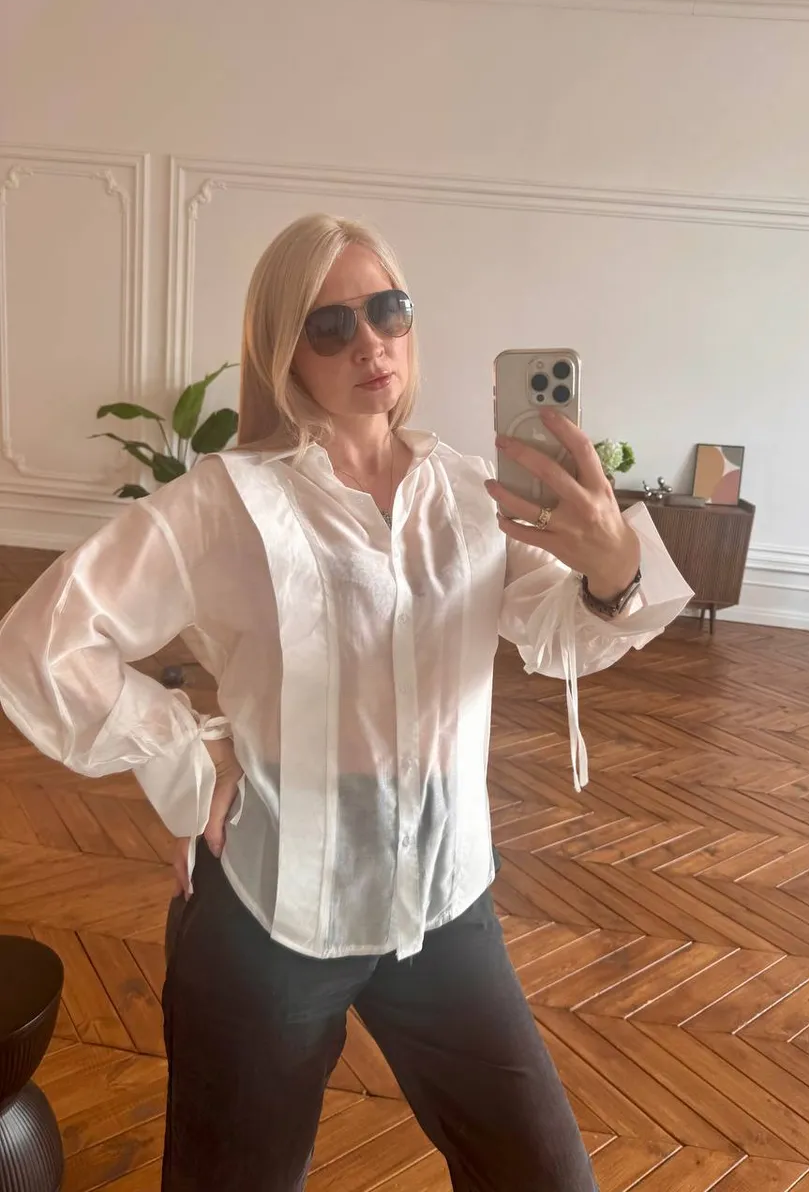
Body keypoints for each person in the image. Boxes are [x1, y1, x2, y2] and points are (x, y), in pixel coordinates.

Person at [0, 213, 692, 1191]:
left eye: (388, 310)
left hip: (446, 902)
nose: (370, 342)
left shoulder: (467, 492)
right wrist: (186, 758)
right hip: (270, 924)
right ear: (284, 352)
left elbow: (559, 631)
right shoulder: (224, 502)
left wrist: (615, 568)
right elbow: (40, 645)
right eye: (331, 326)